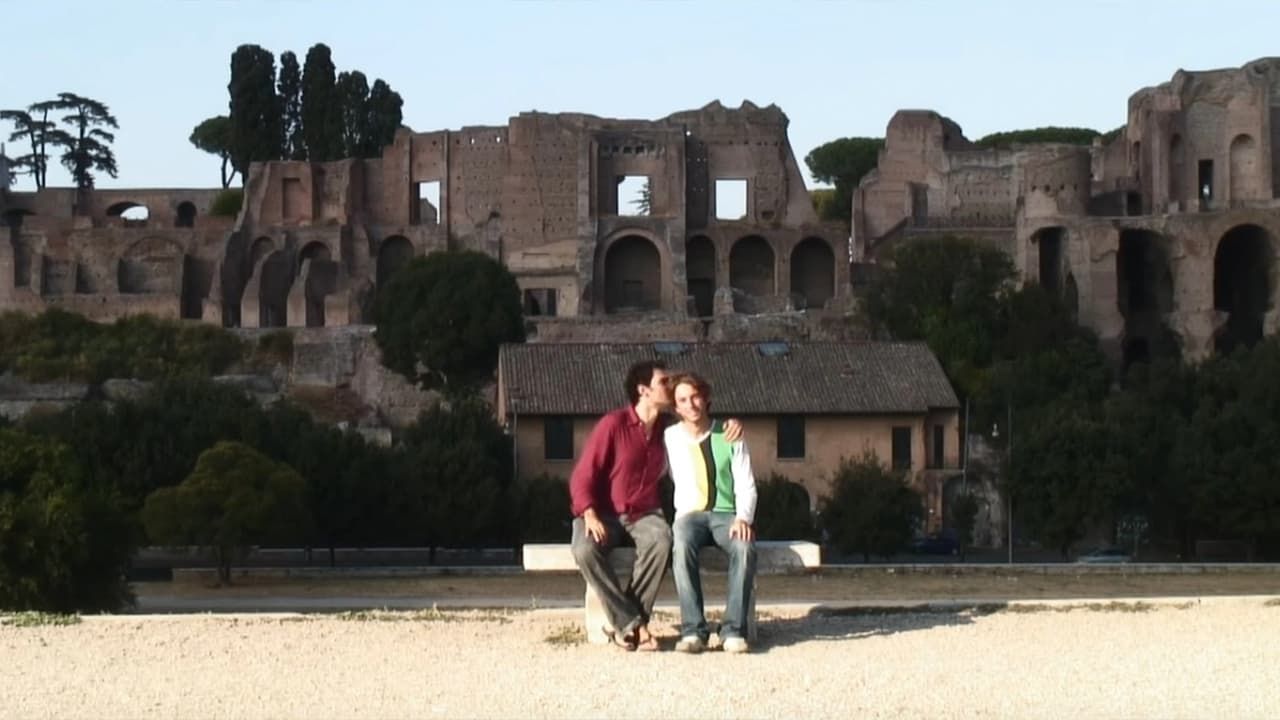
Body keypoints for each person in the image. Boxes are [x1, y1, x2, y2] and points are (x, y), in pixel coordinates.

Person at [569, 359, 675, 652]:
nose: (671, 386)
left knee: (661, 539)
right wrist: (589, 513)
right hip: (602, 511)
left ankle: (628, 624)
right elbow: (583, 474)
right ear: (643, 390)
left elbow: (701, 419)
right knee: (583, 549)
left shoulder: (669, 429)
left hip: (644, 513)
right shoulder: (613, 424)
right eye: (664, 382)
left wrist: (732, 425)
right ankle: (632, 625)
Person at [664, 372, 757, 654]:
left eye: (694, 396)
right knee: (680, 542)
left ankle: (732, 630)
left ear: (705, 398)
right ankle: (693, 630)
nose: (690, 404)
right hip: (689, 517)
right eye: (682, 400)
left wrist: (744, 517)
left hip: (726, 515)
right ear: (676, 408)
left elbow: (746, 481)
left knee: (744, 547)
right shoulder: (669, 437)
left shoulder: (729, 434)